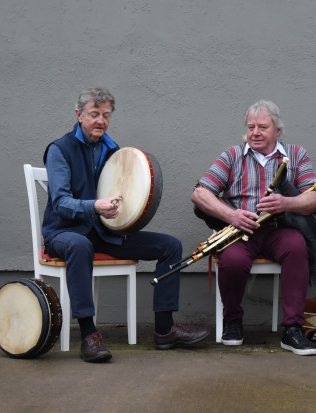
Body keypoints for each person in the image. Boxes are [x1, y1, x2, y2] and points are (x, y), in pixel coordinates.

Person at [42, 87, 209, 362]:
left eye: (106, 115)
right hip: (64, 233)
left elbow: (122, 192)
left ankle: (165, 330)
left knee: (170, 246)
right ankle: (88, 334)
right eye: (94, 114)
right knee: (80, 244)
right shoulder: (60, 150)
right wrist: (94, 206)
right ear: (78, 115)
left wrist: (129, 211)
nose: (101, 121)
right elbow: (60, 202)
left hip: (103, 232)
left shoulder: (112, 149)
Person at [191, 100, 316, 356]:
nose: (255, 132)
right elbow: (199, 194)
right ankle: (233, 320)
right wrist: (232, 215)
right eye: (251, 127)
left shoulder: (295, 155)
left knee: (297, 247)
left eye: (263, 126)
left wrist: (286, 202)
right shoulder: (232, 155)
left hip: (279, 228)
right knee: (232, 259)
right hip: (242, 231)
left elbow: (313, 198)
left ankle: (293, 329)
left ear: (277, 130)